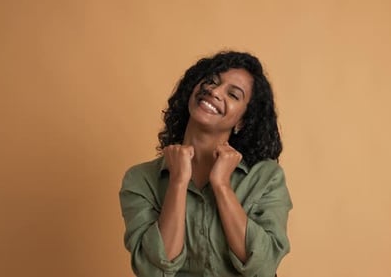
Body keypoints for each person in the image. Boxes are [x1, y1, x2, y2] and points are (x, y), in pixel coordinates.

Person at [119, 51, 292, 277]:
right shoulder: (141, 179)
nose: (214, 91)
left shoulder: (266, 177)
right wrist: (178, 182)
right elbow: (154, 270)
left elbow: (263, 266)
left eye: (233, 94)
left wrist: (221, 185)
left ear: (243, 120)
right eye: (211, 81)